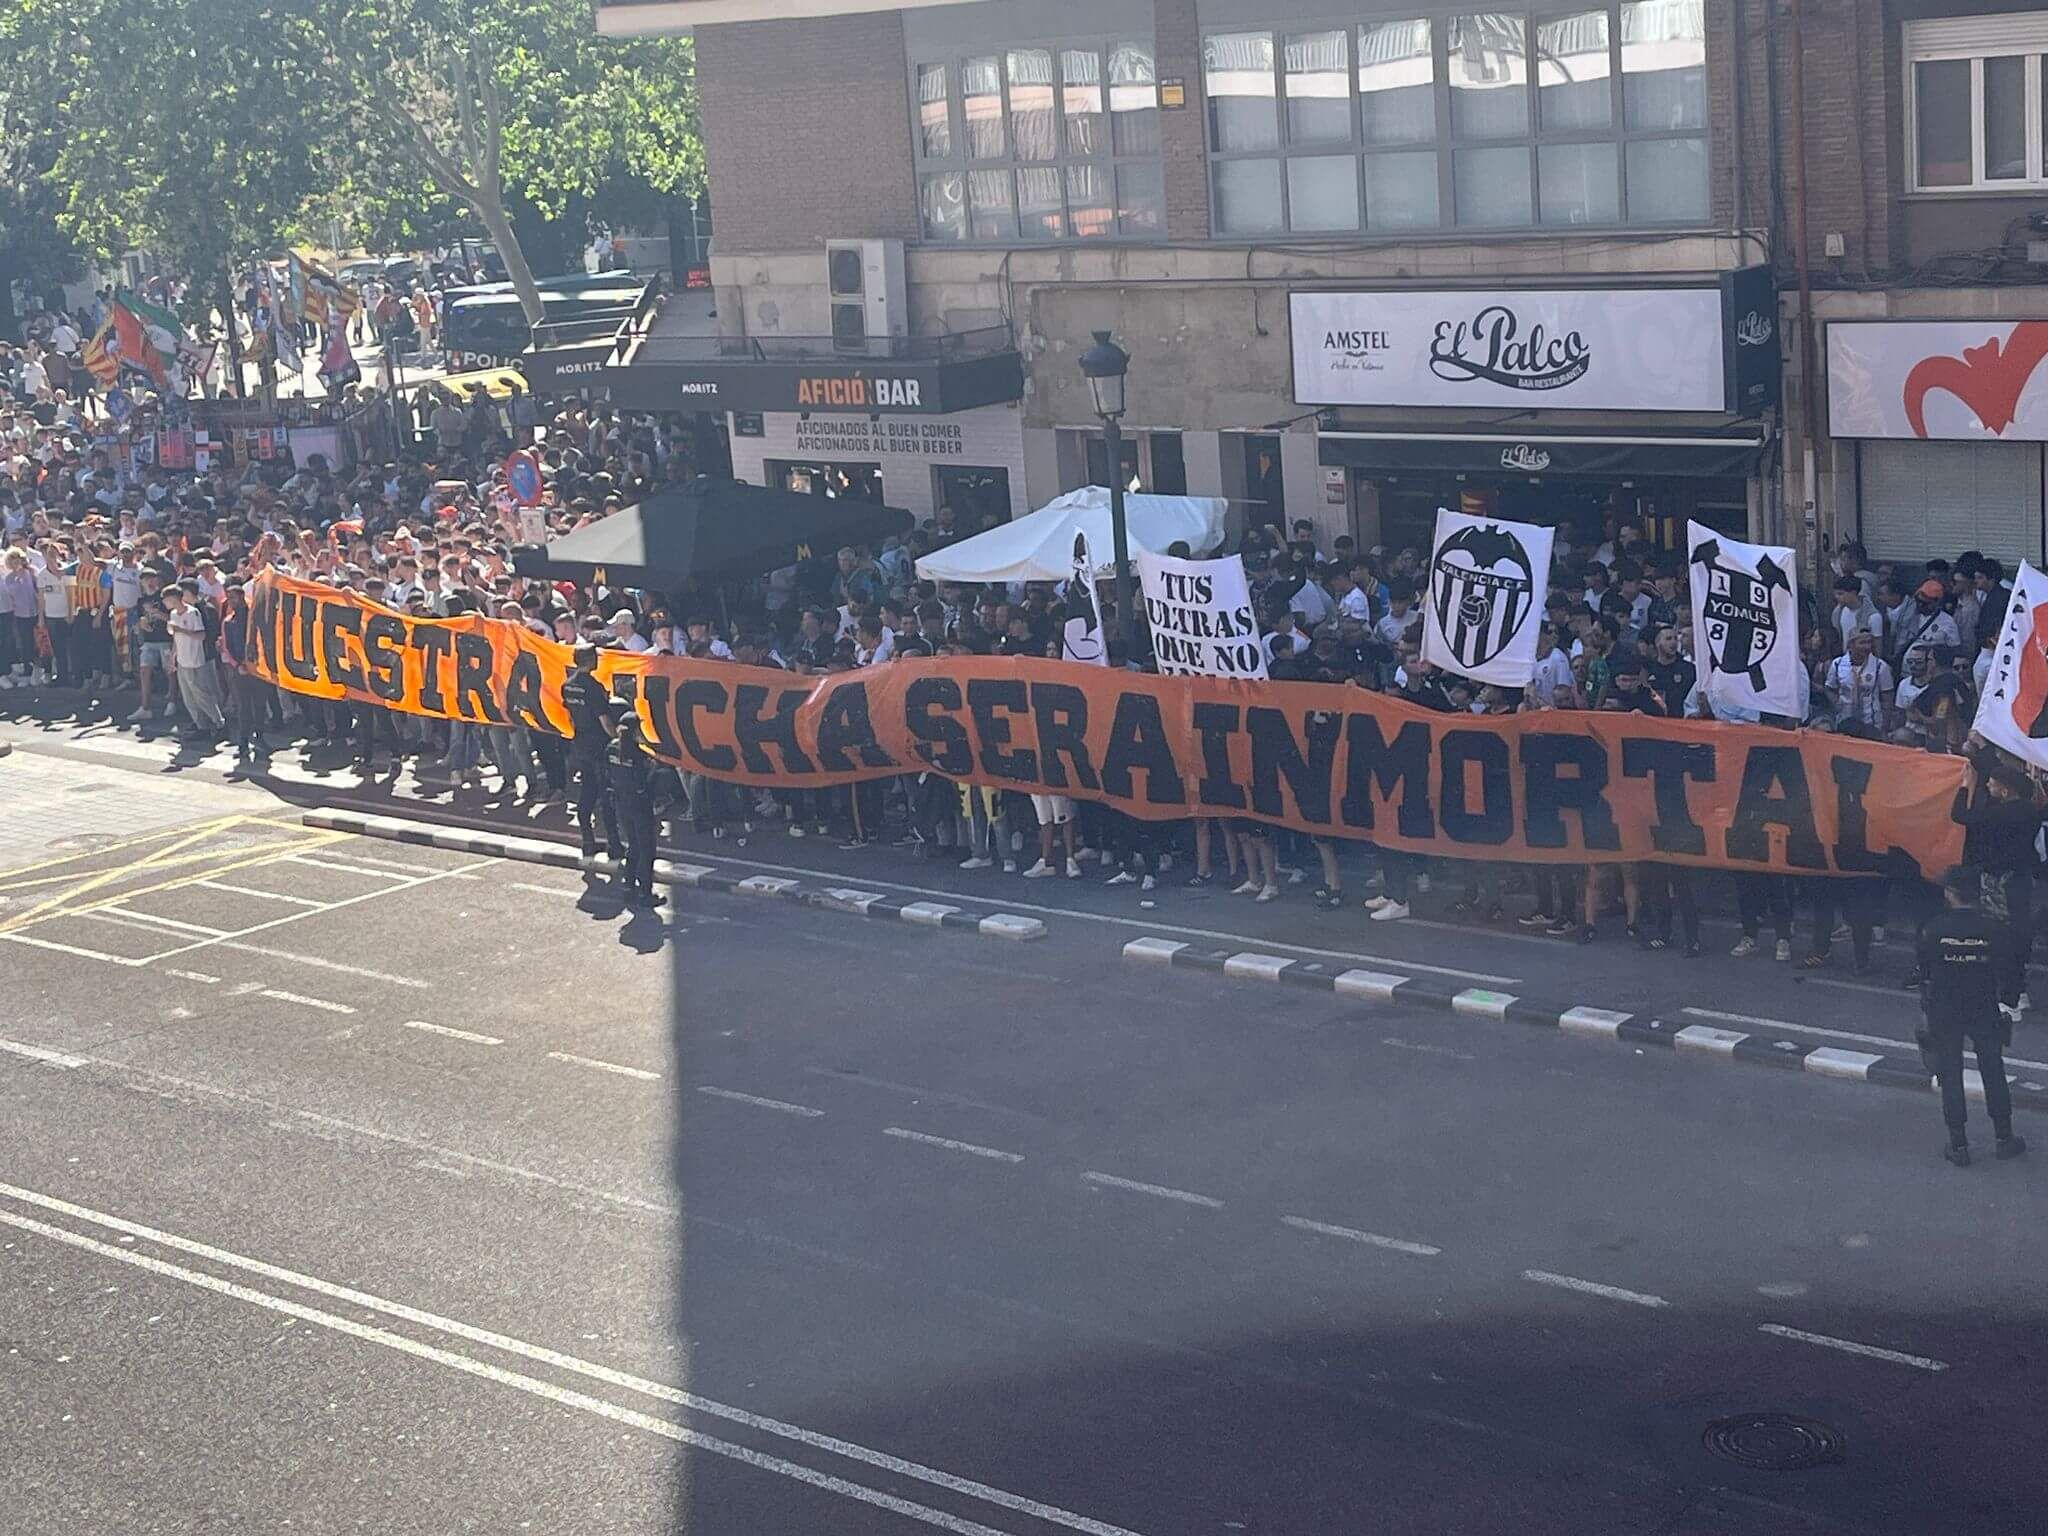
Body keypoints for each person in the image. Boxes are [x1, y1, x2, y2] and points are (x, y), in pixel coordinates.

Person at [1917, 867, 2028, 1167]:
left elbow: (1923, 971)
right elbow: (2009, 971)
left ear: (1949, 893)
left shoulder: (1933, 928)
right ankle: (2004, 1138)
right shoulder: (1993, 929)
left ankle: (1959, 1144)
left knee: (1950, 1073)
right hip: (1983, 1007)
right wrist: (2007, 1004)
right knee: (1993, 1070)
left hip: (1944, 1009)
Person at [562, 642, 620, 861]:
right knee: (606, 796)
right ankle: (614, 845)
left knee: (586, 792)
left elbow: (569, 715)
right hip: (598, 745)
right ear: (590, 661)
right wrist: (617, 740)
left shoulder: (567, 685)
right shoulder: (593, 687)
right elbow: (604, 720)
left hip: (580, 744)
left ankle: (587, 841)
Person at [606, 714, 661, 905]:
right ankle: (645, 893)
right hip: (640, 805)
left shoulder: (612, 748)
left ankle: (628, 885)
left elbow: (608, 772)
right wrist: (653, 770)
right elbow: (644, 783)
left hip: (622, 803)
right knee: (647, 849)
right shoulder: (637, 754)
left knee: (633, 845)